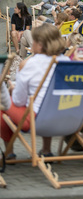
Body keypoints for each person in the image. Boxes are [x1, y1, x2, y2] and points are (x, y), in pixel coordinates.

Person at [0, 24, 69, 158]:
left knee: (4, 104)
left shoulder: (30, 64)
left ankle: (9, 152)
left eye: (34, 40)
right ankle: (46, 150)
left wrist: (12, 90)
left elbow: (19, 101)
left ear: (41, 44)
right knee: (47, 103)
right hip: (67, 116)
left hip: (38, 120)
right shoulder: (67, 61)